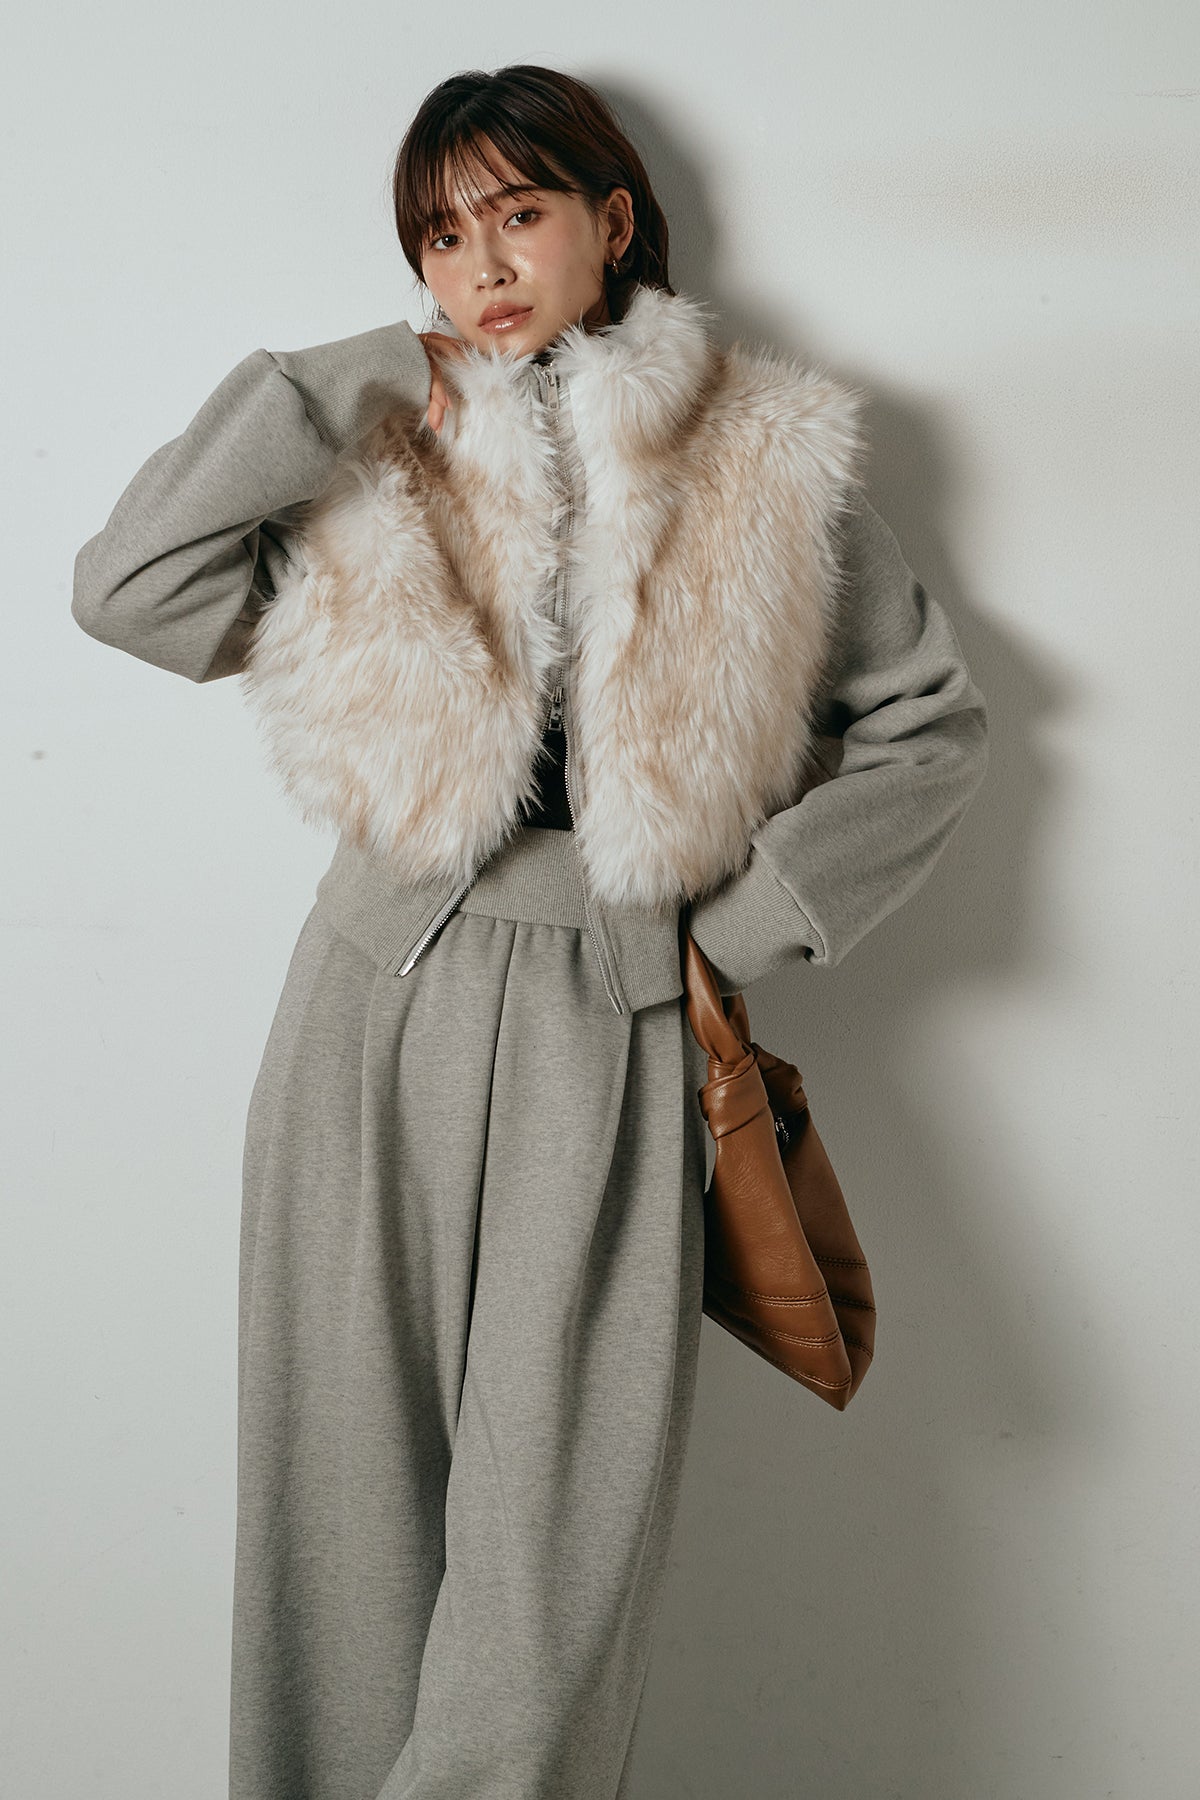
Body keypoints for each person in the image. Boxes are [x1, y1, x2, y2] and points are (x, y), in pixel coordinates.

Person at [71, 62, 989, 1800]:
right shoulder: (372, 444)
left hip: (611, 1003)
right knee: (339, 1521)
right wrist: (346, 379)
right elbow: (129, 589)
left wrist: (741, 923)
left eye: (519, 213)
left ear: (609, 221)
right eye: (441, 235)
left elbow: (929, 721)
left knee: (552, 1563)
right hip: (371, 998)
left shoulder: (764, 451)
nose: (481, 264)